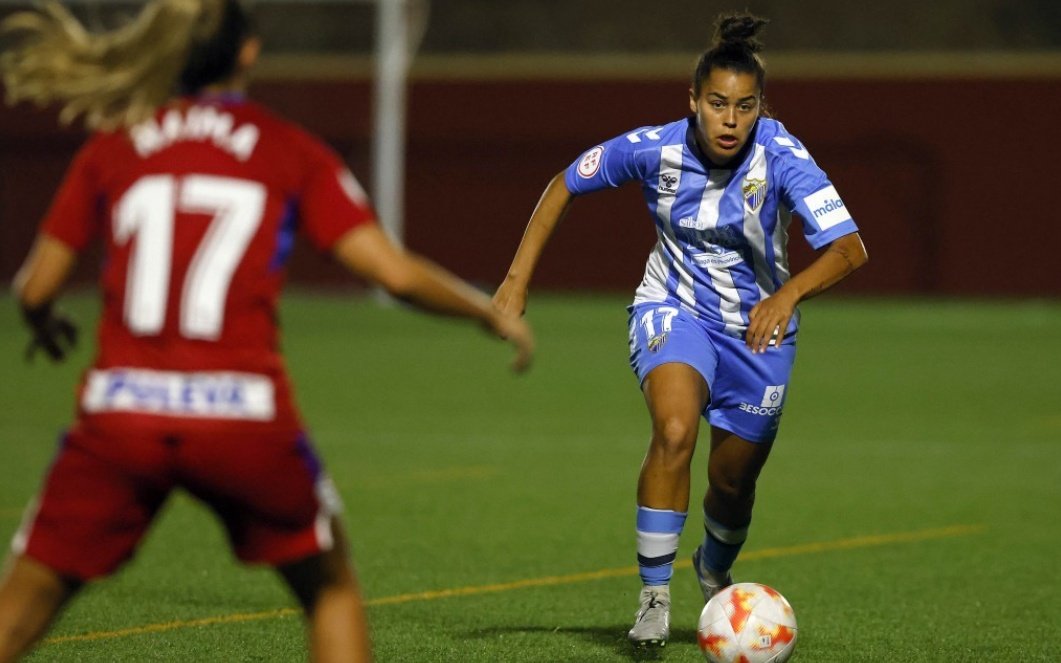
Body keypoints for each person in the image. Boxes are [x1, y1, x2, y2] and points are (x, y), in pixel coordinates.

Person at [0, 1, 534, 661]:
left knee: (20, 609)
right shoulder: (287, 150)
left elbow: (36, 287)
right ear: (247, 53)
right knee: (329, 588)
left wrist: (44, 321)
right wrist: (485, 310)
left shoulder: (115, 143)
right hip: (243, 417)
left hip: (121, 415)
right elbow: (391, 273)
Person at [493, 12, 867, 649]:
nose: (730, 119)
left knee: (732, 483)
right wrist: (515, 280)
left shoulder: (782, 155)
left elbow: (850, 247)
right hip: (671, 310)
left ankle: (713, 567)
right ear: (692, 101)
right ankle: (654, 597)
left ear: (760, 108)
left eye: (744, 107)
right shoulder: (652, 148)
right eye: (717, 103)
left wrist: (788, 292)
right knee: (673, 430)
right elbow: (564, 184)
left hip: (758, 334)